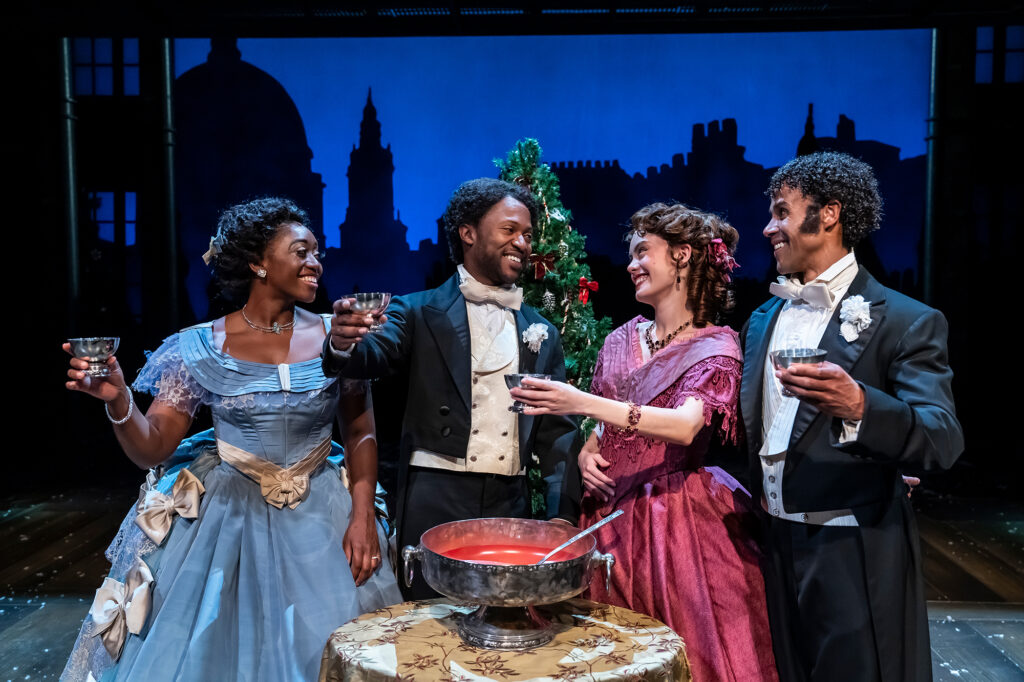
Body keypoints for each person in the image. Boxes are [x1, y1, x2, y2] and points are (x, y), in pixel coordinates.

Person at [61, 198, 401, 682]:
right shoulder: (198, 346)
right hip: (228, 518)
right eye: (301, 252)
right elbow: (152, 449)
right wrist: (119, 402)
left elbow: (361, 429)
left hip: (324, 518)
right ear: (258, 264)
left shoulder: (338, 336)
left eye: (317, 252)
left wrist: (363, 514)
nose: (315, 263)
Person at [510, 203, 778, 682]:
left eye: (643, 252)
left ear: (681, 256)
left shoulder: (715, 345)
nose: (632, 264)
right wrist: (590, 450)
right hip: (606, 516)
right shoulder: (618, 340)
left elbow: (684, 426)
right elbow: (604, 430)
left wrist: (582, 402)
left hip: (675, 521)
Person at [740, 152, 963, 682]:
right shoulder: (762, 319)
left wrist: (862, 408)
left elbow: (942, 437)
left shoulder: (908, 321)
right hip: (771, 545)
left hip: (853, 550)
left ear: (830, 214)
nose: (768, 227)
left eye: (781, 212)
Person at [323, 177, 580, 599]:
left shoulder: (542, 330)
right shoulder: (417, 310)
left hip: (510, 504)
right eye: (509, 230)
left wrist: (561, 516)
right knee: (429, 634)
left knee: (503, 631)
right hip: (435, 499)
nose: (522, 242)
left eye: (528, 234)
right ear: (468, 233)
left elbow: (558, 433)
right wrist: (343, 341)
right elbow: (372, 356)